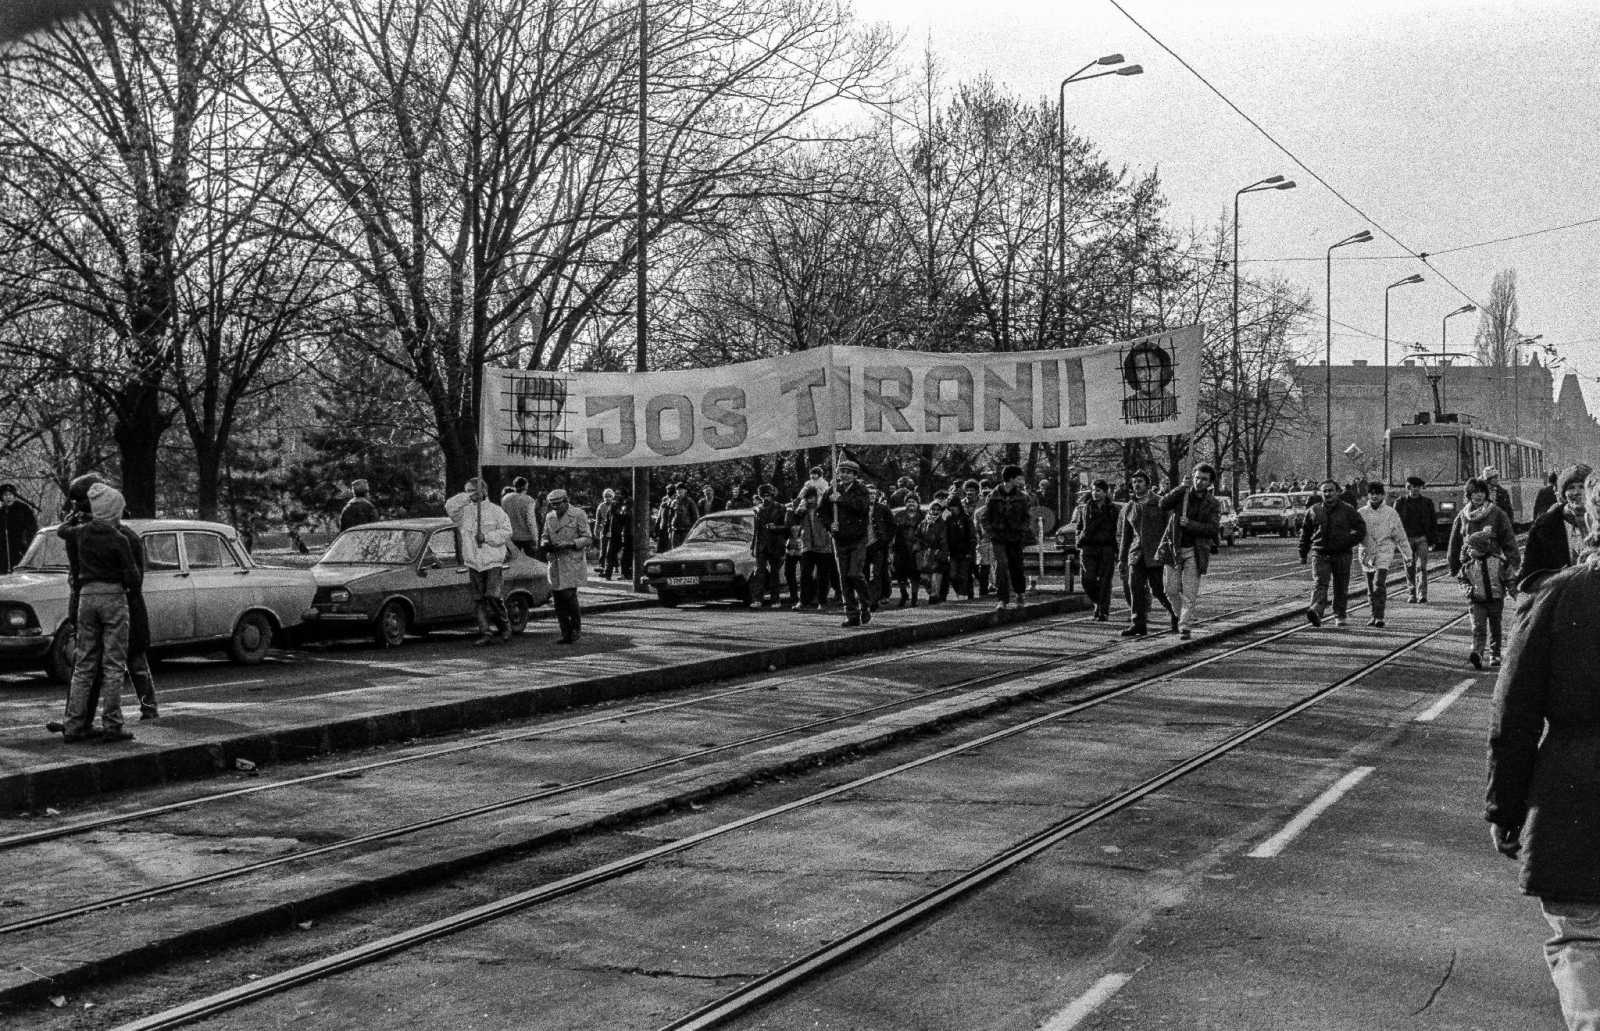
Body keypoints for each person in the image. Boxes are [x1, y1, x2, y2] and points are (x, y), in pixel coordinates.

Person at [1486, 472, 1600, 1031]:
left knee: (1582, 938)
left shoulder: (1559, 596)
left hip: (1576, 802)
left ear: (1589, 521)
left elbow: (1514, 717)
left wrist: (1505, 811)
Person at [54, 483, 139, 743]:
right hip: (113, 596)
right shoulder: (120, 539)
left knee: (84, 663)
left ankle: (74, 724)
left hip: (86, 596)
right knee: (113, 664)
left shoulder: (80, 533)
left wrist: (73, 515)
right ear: (113, 511)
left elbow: (61, 530)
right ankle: (112, 723)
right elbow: (133, 577)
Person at [444, 477, 513, 645]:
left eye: (473, 491)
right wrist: (467, 497)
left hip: (492, 561)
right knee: (478, 599)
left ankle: (504, 626)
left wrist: (487, 537)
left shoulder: (496, 511)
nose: (470, 494)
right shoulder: (462, 513)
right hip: (473, 561)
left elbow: (507, 532)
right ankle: (485, 632)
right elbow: (449, 506)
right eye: (467, 491)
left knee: (493, 595)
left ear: (484, 491)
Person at [1158, 463, 1221, 640]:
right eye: (1197, 477)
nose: (1199, 482)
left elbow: (1213, 529)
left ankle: (1185, 626)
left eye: (1204, 479)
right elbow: (1163, 504)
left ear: (1210, 483)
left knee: (1189, 592)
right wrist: (1180, 488)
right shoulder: (1183, 494)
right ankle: (1181, 617)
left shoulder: (1213, 503)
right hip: (1174, 548)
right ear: (1192, 476)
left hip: (1196, 550)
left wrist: (1190, 525)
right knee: (1169, 589)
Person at [1299, 478, 1367, 628]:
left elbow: (1361, 529)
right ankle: (1316, 611)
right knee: (1320, 583)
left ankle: (1340, 614)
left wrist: (1348, 541)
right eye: (1325, 491)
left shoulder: (1348, 509)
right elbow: (1305, 533)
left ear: (1337, 492)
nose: (1328, 494)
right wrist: (1303, 552)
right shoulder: (1314, 510)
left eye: (1331, 490)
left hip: (1342, 554)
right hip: (1320, 553)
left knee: (1341, 585)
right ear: (1321, 493)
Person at [1115, 470, 1174, 637]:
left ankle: (1176, 615)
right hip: (1137, 553)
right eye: (1134, 482)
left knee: (1160, 589)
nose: (1136, 485)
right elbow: (1125, 537)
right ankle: (1138, 623)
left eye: (1140, 481)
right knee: (1135, 588)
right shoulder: (1129, 507)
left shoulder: (1160, 502)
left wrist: (1170, 551)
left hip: (1157, 554)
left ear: (1147, 484)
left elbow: (1170, 529)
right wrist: (1122, 559)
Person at [818, 459, 872, 627]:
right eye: (842, 472)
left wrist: (841, 500)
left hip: (857, 538)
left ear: (855, 475)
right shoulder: (831, 490)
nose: (845, 475)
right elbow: (822, 512)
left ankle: (865, 603)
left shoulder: (861, 490)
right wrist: (829, 525)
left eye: (849, 472)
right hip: (839, 538)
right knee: (844, 578)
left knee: (855, 573)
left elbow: (862, 508)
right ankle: (851, 614)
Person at [1520, 464, 1590, 594]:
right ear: (1563, 493)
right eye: (1571, 488)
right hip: (1560, 599)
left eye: (1582, 487)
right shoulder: (1545, 525)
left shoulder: (1596, 521)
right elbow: (1529, 573)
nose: (1576, 492)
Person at [1356, 482, 1411, 629]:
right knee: (1369, 586)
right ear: (1367, 495)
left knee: (1378, 583)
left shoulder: (1390, 513)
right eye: (1371, 493)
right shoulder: (1361, 512)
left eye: (1378, 493)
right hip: (1367, 552)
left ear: (1382, 495)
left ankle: (1379, 616)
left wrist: (1408, 555)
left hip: (1384, 551)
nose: (1374, 496)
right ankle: (1373, 614)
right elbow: (1355, 532)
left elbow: (1400, 535)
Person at [1447, 477, 1521, 584]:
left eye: (1482, 492)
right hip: (1470, 568)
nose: (1479, 495)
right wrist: (1454, 567)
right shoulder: (1463, 516)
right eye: (1475, 492)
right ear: (1469, 495)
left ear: (1486, 494)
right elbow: (1455, 543)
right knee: (1475, 597)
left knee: (1494, 596)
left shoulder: (1497, 513)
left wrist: (1513, 565)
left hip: (1493, 566)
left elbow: (1509, 540)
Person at [540, 488, 591, 644]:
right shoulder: (549, 517)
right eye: (552, 504)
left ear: (566, 501)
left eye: (558, 504)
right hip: (555, 561)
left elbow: (587, 538)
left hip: (571, 560)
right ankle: (565, 632)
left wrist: (570, 544)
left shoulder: (578, 514)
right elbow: (544, 536)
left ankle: (575, 629)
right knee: (558, 599)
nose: (555, 507)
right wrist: (545, 543)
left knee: (568, 595)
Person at [1459, 528, 1512, 669]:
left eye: (1471, 548)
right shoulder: (1468, 566)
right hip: (1477, 602)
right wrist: (1468, 590)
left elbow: (1509, 578)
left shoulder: (1498, 562)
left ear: (1480, 548)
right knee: (1478, 628)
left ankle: (1495, 654)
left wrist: (1515, 593)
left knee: (1495, 628)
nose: (1468, 550)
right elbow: (1462, 580)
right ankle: (1478, 653)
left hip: (1495, 600)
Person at [981, 464, 1032, 610]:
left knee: (1017, 566)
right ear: (1011, 479)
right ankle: (1002, 599)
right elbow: (985, 517)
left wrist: (1022, 530)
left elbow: (1027, 517)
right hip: (998, 538)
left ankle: (1020, 593)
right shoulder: (993, 496)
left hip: (1015, 538)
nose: (1022, 480)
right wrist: (991, 532)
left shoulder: (1022, 497)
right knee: (1001, 566)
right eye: (1019, 477)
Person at [1073, 479, 1119, 622]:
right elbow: (1079, 526)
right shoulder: (1085, 508)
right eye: (1093, 490)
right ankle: (1097, 602)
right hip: (1088, 547)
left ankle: (1103, 611)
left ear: (1105, 493)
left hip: (1106, 547)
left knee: (1105, 581)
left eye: (1098, 490)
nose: (1095, 493)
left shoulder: (1113, 509)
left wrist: (1117, 549)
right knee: (1087, 579)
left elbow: (1117, 530)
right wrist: (1078, 539)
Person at [1394, 475, 1437, 603]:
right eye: (1413, 487)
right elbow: (1395, 523)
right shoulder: (1400, 502)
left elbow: (1433, 522)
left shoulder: (1427, 503)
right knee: (1409, 567)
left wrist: (1433, 540)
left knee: (1421, 567)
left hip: (1422, 538)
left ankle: (1422, 594)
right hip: (1406, 540)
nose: (1415, 489)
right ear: (1408, 488)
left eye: (1418, 487)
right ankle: (1412, 593)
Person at [791, 487, 834, 609]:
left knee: (823, 575)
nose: (810, 500)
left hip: (823, 544)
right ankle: (803, 601)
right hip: (807, 545)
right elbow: (794, 518)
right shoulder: (803, 509)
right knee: (805, 574)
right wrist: (800, 506)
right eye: (807, 498)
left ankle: (822, 601)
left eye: (812, 497)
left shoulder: (823, 507)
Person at [751, 483, 789, 607]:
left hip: (776, 543)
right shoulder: (757, 509)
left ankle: (775, 599)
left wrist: (776, 527)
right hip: (762, 544)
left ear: (772, 495)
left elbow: (787, 527)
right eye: (763, 496)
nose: (765, 498)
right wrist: (753, 546)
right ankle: (757, 599)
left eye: (768, 495)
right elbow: (756, 530)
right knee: (759, 573)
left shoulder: (781, 508)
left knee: (774, 573)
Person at [865, 485, 896, 610]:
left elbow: (892, 526)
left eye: (874, 494)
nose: (871, 496)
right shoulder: (861, 508)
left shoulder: (883, 509)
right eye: (869, 494)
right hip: (863, 545)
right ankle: (866, 598)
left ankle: (874, 600)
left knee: (876, 572)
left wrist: (885, 540)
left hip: (878, 545)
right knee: (864, 573)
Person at [942, 494, 977, 601]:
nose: (952, 508)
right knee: (952, 575)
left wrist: (970, 551)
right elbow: (945, 536)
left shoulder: (966, 519)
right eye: (950, 506)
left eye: (953, 506)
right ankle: (962, 593)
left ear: (958, 506)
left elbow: (972, 537)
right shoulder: (948, 519)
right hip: (953, 553)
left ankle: (964, 596)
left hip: (965, 552)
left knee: (964, 575)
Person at [915, 498, 949, 603]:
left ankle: (935, 599)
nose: (935, 511)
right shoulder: (923, 523)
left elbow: (944, 541)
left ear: (941, 511)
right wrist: (918, 550)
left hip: (937, 555)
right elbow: (918, 537)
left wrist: (941, 553)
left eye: (938, 510)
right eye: (933, 509)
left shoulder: (943, 524)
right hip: (925, 555)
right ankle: (934, 595)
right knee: (924, 579)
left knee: (935, 582)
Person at [891, 489, 922, 607]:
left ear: (918, 504)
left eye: (913, 502)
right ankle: (903, 594)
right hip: (900, 549)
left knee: (915, 574)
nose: (911, 504)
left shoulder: (922, 516)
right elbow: (893, 532)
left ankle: (914, 597)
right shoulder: (899, 515)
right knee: (900, 574)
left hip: (916, 549)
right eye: (909, 501)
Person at [1, 483, 39, 574]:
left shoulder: (23, 509)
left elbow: (32, 528)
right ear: (2, 497)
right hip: (4, 550)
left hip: (21, 548)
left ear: (14, 496)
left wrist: (26, 541)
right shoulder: (2, 511)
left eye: (10, 495)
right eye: (5, 495)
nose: (8, 497)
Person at [502, 477, 540, 558]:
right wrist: (535, 539)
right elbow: (531, 522)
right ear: (526, 486)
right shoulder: (529, 500)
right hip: (527, 538)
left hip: (511, 537)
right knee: (531, 564)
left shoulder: (505, 499)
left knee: (513, 564)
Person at [603, 487, 632, 580]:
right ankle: (608, 573)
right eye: (617, 494)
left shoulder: (628, 504)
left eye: (619, 494)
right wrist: (606, 531)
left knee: (624, 555)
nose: (617, 496)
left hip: (624, 533)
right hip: (616, 533)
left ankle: (625, 573)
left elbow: (625, 518)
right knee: (611, 554)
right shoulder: (615, 504)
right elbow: (608, 519)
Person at [669, 482, 699, 548]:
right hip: (675, 530)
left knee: (685, 549)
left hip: (686, 530)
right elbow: (670, 516)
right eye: (678, 489)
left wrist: (694, 529)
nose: (679, 491)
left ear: (685, 490)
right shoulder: (673, 502)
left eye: (681, 489)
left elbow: (695, 516)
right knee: (674, 549)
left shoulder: (690, 501)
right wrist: (670, 528)